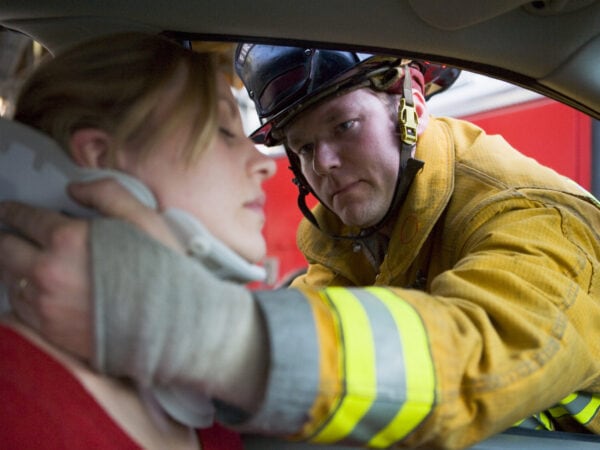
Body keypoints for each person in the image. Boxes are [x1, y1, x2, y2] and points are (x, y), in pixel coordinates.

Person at [1, 42, 600, 450]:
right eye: (304, 148)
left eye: (343, 127)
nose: (323, 164)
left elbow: (485, 351)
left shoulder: (532, 214)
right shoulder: (353, 238)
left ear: (411, 103)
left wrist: (203, 329)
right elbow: (324, 323)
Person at [0, 32, 278, 449]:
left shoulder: (205, 398)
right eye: (223, 130)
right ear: (100, 158)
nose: (264, 164)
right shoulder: (11, 395)